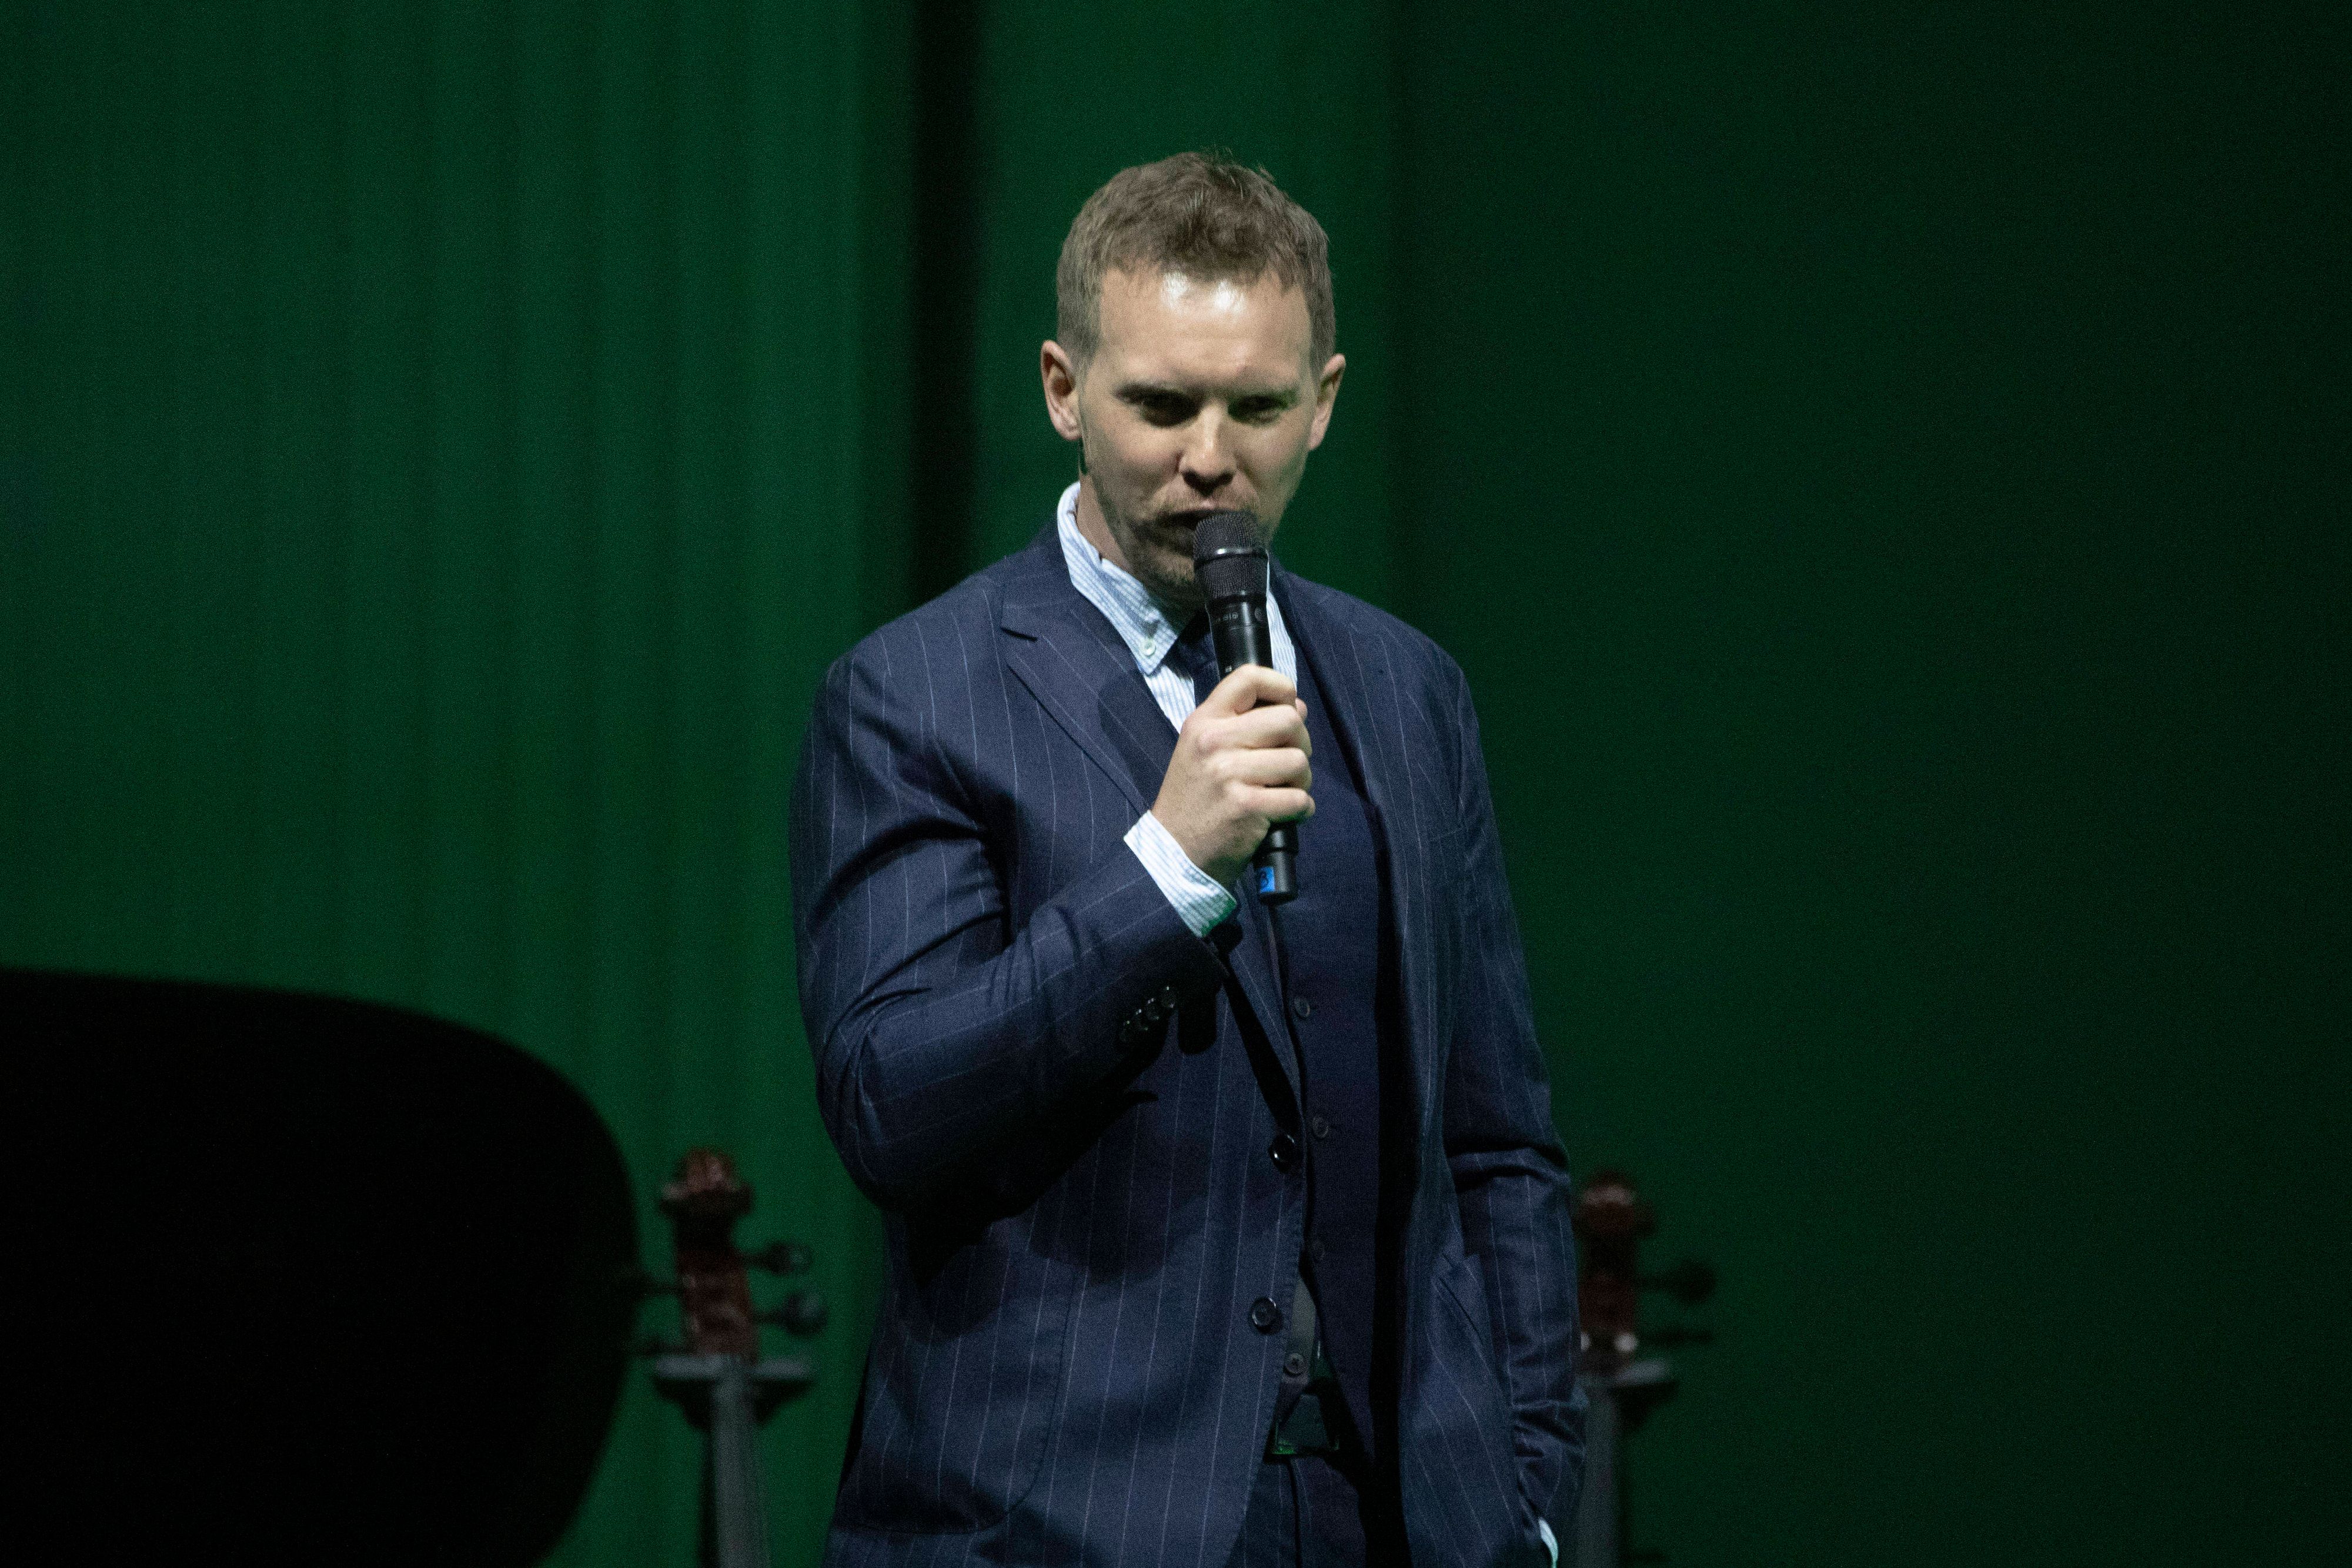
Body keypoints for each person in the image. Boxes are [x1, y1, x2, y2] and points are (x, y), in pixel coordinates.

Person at [791, 152, 1582, 1568]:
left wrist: (1525, 1484)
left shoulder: (1403, 689)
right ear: (1062, 389)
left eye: (1254, 408)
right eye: (1159, 404)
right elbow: (889, 1102)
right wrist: (1164, 867)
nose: (1206, 457)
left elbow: (1494, 1136)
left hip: (1398, 1517)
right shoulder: (915, 694)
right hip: (1055, 1524)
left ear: (1320, 403)